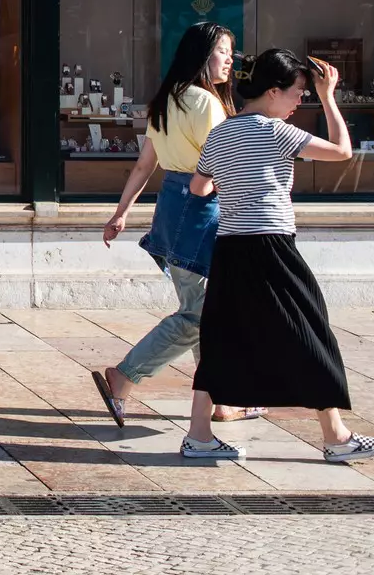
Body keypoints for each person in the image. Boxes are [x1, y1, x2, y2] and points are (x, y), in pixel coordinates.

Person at [179, 49, 374, 463]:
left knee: (222, 340)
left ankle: (199, 436)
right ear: (273, 91)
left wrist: (237, 183)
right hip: (272, 246)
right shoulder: (275, 131)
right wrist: (329, 97)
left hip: (230, 247)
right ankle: (337, 438)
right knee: (310, 331)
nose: (301, 102)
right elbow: (342, 151)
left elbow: (198, 187)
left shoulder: (221, 132)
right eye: (298, 93)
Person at [90, 23, 261, 427]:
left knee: (204, 309)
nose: (229, 60)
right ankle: (123, 377)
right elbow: (222, 164)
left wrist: (121, 213)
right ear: (203, 55)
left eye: (230, 52)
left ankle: (221, 400)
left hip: (172, 205)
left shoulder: (166, 100)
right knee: (200, 314)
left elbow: (144, 164)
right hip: (203, 209)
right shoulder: (207, 103)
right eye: (222, 51)